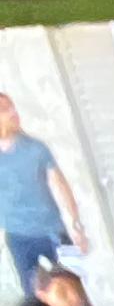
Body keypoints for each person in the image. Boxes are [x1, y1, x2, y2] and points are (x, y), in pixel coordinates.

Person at [0, 93, 83, 294]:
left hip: (52, 232)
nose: (13, 113)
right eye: (5, 110)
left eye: (12, 107)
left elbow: (61, 185)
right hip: (18, 237)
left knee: (73, 291)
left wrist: (75, 224)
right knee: (35, 297)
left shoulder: (36, 148)